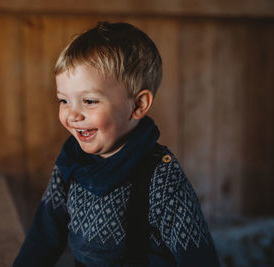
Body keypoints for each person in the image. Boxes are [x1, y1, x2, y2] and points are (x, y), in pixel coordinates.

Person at [13, 21, 220, 267]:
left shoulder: (161, 177)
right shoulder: (71, 162)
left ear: (138, 105)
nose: (72, 115)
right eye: (64, 101)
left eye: (89, 101)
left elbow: (199, 257)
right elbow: (43, 236)